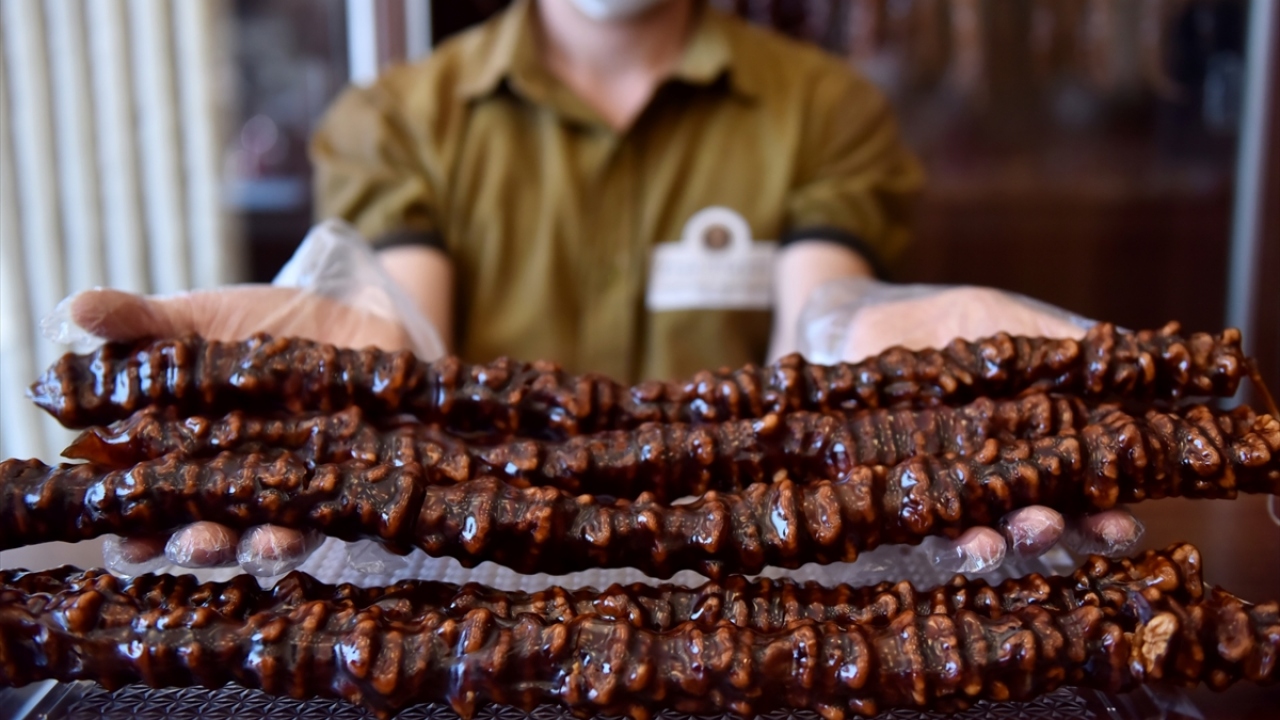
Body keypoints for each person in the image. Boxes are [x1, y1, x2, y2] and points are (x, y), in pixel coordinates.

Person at [70, 0, 1139, 576]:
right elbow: (405, 325)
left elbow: (822, 314)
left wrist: (881, 350)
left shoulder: (824, 107)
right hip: (477, 593)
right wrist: (354, 354)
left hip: (753, 583)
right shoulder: (396, 115)